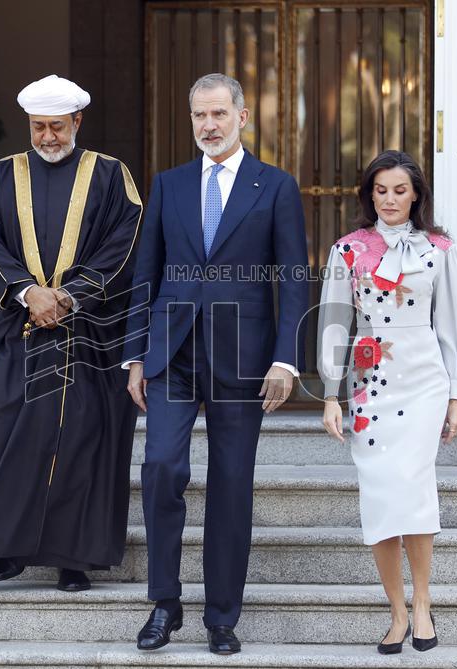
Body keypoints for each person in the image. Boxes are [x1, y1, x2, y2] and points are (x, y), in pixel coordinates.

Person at [0, 75, 142, 592]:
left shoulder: (112, 176)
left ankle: (73, 557)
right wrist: (29, 293)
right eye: (38, 127)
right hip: (17, 330)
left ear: (77, 122)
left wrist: (69, 295)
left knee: (78, 443)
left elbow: (125, 240)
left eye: (56, 127)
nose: (47, 136)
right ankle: (9, 548)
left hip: (86, 335)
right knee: (1, 436)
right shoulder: (1, 176)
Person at [123, 73, 308, 655]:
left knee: (231, 485)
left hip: (243, 358)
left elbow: (293, 280)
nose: (209, 125)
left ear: (243, 117)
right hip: (171, 353)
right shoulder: (169, 185)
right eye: (199, 116)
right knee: (160, 470)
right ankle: (165, 603)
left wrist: (286, 359)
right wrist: (135, 354)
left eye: (219, 115)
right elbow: (145, 273)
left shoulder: (275, 187)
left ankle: (222, 617)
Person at [317, 150, 457, 654]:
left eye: (399, 190)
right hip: (369, 384)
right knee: (381, 495)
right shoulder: (347, 250)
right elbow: (335, 323)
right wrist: (331, 394)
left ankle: (423, 602)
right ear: (369, 195)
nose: (389, 199)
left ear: (417, 195)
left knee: (415, 488)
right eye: (380, 190)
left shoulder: (439, 249)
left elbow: (452, 326)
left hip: (424, 381)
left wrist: (456, 395)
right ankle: (397, 612)